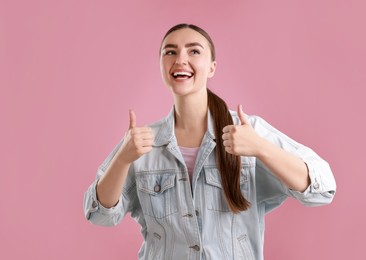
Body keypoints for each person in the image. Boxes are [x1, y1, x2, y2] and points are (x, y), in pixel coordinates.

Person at [83, 23, 336, 260]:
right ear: (161, 65)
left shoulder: (249, 131)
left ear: (212, 67)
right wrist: (122, 159)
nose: (180, 59)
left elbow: (321, 190)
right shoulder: (141, 143)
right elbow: (99, 215)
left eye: (194, 50)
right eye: (170, 52)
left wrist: (261, 148)